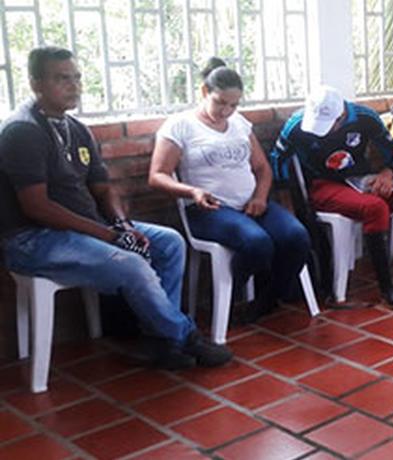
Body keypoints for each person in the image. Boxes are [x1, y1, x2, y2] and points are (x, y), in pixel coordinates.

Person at [0, 46, 231, 369]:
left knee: (170, 243)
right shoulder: (22, 131)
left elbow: (103, 187)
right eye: (61, 79)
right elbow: (37, 207)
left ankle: (160, 337)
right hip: (33, 239)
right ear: (36, 83)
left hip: (84, 228)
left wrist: (122, 225)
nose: (74, 85)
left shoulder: (76, 129)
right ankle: (183, 337)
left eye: (77, 78)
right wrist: (108, 236)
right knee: (130, 264)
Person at [149, 59, 311, 323]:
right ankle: (227, 295)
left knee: (297, 237)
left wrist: (260, 197)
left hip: (250, 204)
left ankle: (268, 298)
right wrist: (192, 192)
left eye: (234, 105)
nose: (226, 111)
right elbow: (157, 176)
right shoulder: (180, 125)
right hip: (209, 210)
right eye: (220, 103)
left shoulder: (240, 124)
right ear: (204, 92)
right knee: (257, 243)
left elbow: (262, 168)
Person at [272, 86, 393, 308]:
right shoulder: (296, 125)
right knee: (375, 208)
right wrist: (286, 200)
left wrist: (387, 173)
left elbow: (392, 149)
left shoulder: (364, 117)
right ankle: (387, 287)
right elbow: (278, 159)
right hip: (322, 185)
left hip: (361, 179)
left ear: (342, 115)